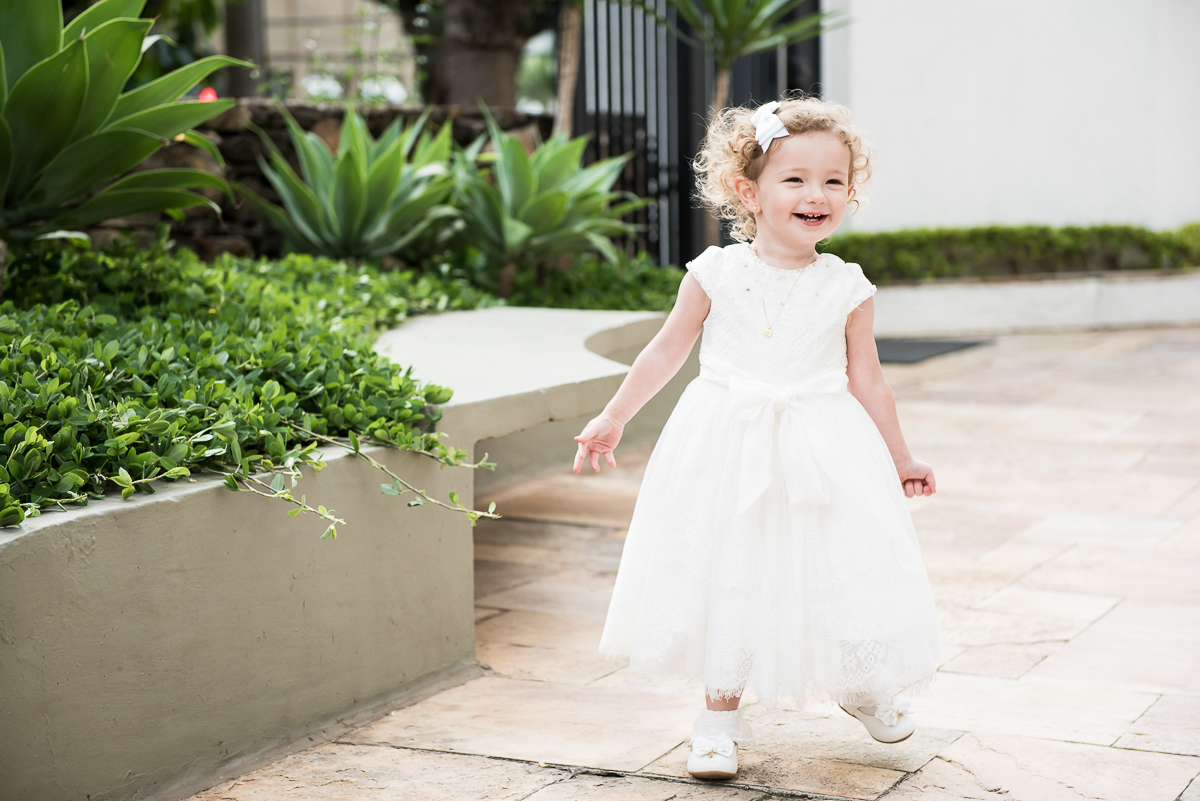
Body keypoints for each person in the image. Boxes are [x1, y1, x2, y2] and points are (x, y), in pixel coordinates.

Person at [571, 94, 944, 781]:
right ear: (749, 190)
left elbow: (870, 380)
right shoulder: (715, 272)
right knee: (732, 569)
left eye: (834, 181)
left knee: (839, 562)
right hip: (728, 440)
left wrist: (901, 457)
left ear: (850, 194)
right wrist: (615, 413)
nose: (817, 194)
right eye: (796, 179)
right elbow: (664, 351)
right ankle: (717, 716)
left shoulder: (849, 286)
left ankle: (859, 682)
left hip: (822, 441)